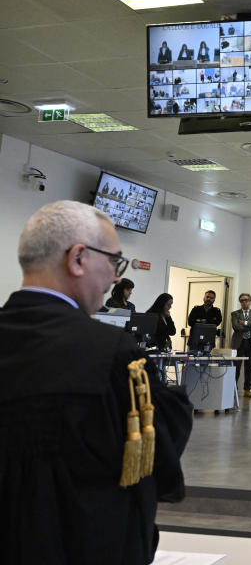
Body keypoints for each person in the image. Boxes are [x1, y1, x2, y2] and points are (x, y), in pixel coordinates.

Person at [0, 200, 192, 564]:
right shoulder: (114, 354)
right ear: (77, 259)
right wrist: (174, 402)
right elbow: (156, 456)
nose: (117, 276)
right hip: (79, 543)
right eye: (114, 261)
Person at [231, 293, 251, 398]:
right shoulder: (235, 314)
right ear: (240, 302)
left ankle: (247, 389)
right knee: (236, 366)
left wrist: (244, 323)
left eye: (246, 300)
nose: (245, 302)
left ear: (250, 301)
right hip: (239, 343)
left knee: (249, 367)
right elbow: (236, 327)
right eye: (242, 300)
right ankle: (233, 388)